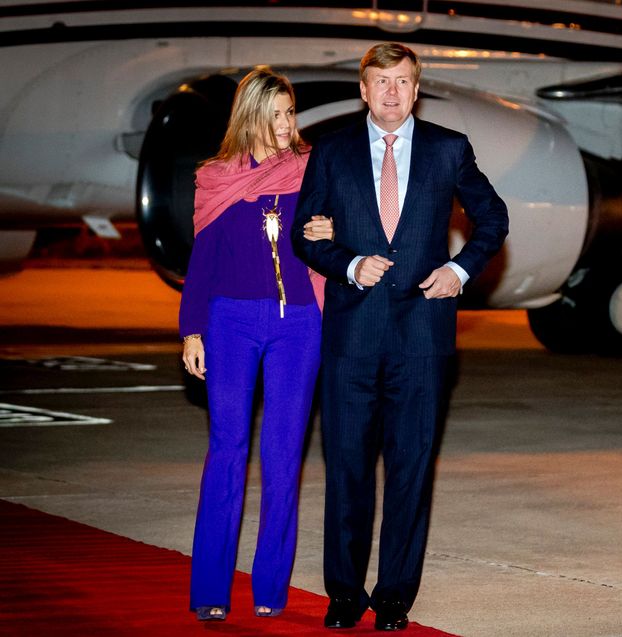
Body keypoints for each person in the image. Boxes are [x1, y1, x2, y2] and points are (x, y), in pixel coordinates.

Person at [291, 42, 509, 631]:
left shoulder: (448, 149)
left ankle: (394, 597)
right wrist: (347, 264)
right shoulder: (332, 152)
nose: (392, 91)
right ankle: (343, 592)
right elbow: (303, 236)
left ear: (417, 89)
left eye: (403, 81)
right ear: (363, 90)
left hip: (423, 337)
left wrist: (460, 270)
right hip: (351, 336)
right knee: (347, 468)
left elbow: (493, 218)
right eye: (381, 81)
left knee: (412, 467)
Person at [180, 66, 334, 622]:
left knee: (284, 454)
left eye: (289, 113)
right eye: (273, 116)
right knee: (226, 451)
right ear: (249, 118)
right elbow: (202, 261)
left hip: (299, 323)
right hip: (229, 321)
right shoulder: (216, 178)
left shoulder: (313, 171)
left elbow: (338, 238)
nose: (284, 126)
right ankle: (211, 591)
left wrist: (331, 234)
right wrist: (191, 329)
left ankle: (271, 587)